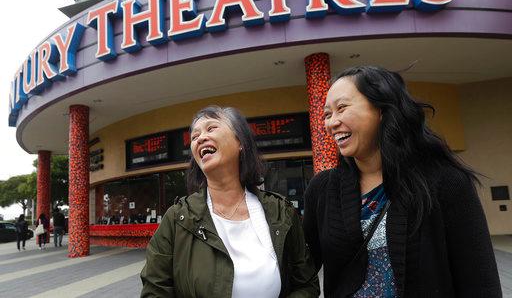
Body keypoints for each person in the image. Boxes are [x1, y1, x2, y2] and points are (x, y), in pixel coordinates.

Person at [303, 66, 502, 297]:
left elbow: (481, 283)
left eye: (342, 108)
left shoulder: (446, 182)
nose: (331, 123)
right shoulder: (322, 189)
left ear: (382, 110)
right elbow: (301, 271)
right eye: (327, 114)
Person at [141, 106, 319, 297]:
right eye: (194, 137)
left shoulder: (281, 212)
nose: (200, 138)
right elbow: (154, 291)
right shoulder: (177, 219)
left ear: (240, 141)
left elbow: (307, 285)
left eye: (211, 128)